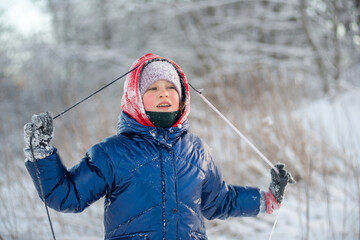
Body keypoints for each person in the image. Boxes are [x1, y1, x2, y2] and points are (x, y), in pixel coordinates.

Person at [23, 53, 295, 240]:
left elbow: (218, 200)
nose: (163, 93)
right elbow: (67, 196)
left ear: (183, 96)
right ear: (135, 98)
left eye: (170, 87)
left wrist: (266, 199)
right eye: (152, 88)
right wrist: (42, 154)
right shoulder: (113, 153)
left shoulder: (197, 151)